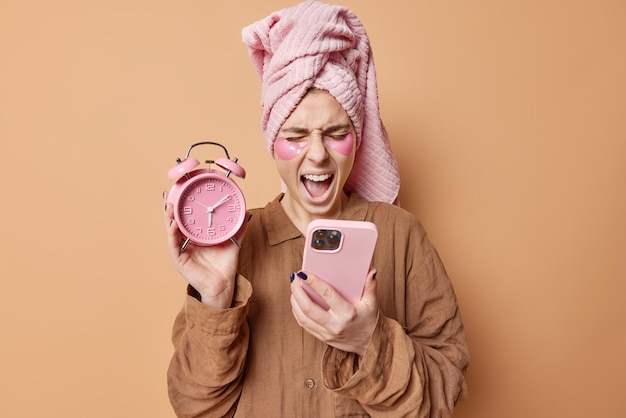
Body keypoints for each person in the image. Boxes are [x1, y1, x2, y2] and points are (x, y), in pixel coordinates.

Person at [163, 1, 469, 417]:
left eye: (336, 133)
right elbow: (195, 407)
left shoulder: (401, 234)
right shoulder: (234, 243)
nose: (319, 156)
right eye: (297, 135)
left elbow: (444, 392)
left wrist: (369, 341)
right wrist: (216, 297)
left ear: (357, 140)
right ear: (273, 142)